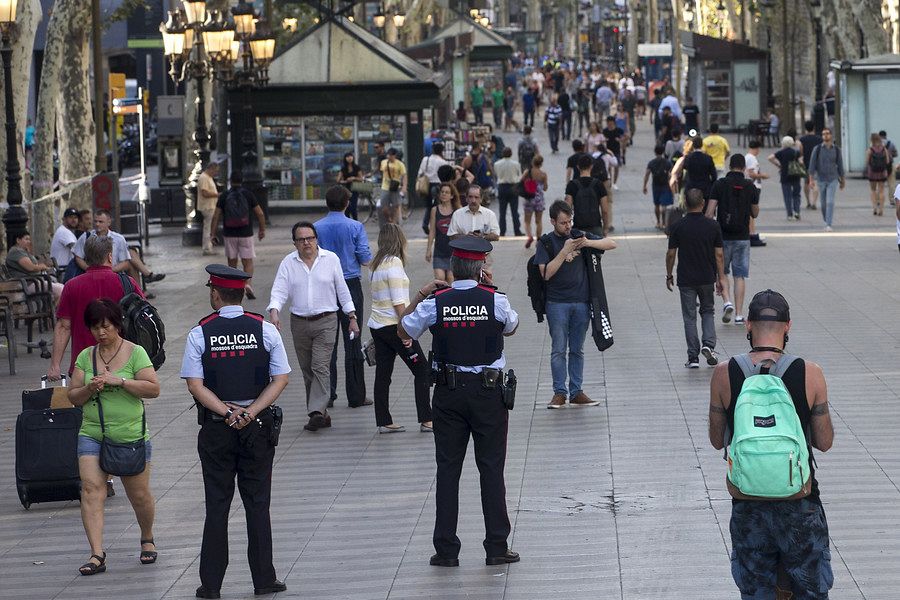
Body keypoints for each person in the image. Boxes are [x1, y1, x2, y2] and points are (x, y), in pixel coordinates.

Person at [397, 237, 520, 568]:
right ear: (481, 268)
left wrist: (423, 293)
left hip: (449, 395)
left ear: (452, 268)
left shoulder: (436, 302)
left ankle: (447, 549)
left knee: (448, 470)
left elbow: (403, 330)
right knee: (491, 469)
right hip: (488, 394)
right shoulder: (495, 300)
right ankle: (496, 546)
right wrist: (490, 291)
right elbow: (511, 327)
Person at [708, 290, 834, 600]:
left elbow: (716, 440)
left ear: (748, 325)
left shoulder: (725, 373)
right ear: (788, 326)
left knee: (757, 591)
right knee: (809, 589)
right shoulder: (811, 373)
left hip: (748, 503)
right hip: (800, 502)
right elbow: (824, 442)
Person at [181, 265, 290, 599]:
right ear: (242, 292)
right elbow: (281, 378)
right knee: (257, 504)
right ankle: (263, 579)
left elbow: (195, 384)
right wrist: (252, 411)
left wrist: (227, 411)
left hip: (217, 429)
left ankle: (211, 585)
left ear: (215, 293)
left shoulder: (200, 332)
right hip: (257, 428)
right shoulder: (265, 329)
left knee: (217, 504)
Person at [68, 298, 160, 576]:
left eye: (105, 326)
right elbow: (73, 396)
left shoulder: (135, 353)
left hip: (129, 434)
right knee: (90, 489)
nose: (101, 333)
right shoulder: (86, 357)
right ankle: (97, 553)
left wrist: (120, 381)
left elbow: (153, 389)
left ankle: (147, 537)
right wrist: (90, 389)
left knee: (139, 495)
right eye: (95, 328)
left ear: (117, 324)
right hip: (92, 432)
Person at [267, 222, 357, 432]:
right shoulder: (288, 262)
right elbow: (279, 290)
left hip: (326, 320)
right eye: (301, 239)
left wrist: (351, 315)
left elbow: (342, 289)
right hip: (299, 322)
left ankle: (315, 412)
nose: (307, 242)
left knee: (320, 366)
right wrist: (274, 311)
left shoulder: (331, 259)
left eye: (310, 238)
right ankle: (322, 414)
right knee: (308, 370)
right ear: (295, 243)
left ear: (317, 239)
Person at [534, 201, 617, 409]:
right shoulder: (546, 243)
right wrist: (564, 252)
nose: (568, 226)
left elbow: (611, 243)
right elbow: (545, 274)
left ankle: (576, 391)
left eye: (570, 221)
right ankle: (559, 392)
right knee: (558, 349)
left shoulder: (579, 235)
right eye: (563, 223)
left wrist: (587, 243)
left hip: (581, 302)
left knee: (577, 349)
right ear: (552, 221)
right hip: (557, 304)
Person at [48, 235, 145, 380]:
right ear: (110, 256)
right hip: (124, 365)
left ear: (86, 258)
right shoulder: (127, 283)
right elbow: (142, 318)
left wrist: (55, 365)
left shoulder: (71, 286)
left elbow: (63, 326)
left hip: (84, 366)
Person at [367, 224, 433, 434]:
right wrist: (407, 332)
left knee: (383, 374)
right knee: (422, 369)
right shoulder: (394, 263)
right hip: (394, 327)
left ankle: (384, 420)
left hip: (377, 326)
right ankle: (427, 419)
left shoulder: (376, 265)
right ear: (399, 240)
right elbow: (399, 302)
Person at [315, 185, 373, 409]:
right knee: (353, 338)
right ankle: (356, 395)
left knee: (327, 341)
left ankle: (327, 394)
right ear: (347, 203)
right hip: (350, 284)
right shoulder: (355, 226)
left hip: (325, 285)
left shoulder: (317, 228)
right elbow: (365, 257)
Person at [666, 189, 725, 368]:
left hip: (686, 279)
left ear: (685, 203)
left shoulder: (678, 226)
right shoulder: (713, 226)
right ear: (703, 204)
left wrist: (669, 275)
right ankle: (708, 345)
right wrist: (720, 278)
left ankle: (693, 358)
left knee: (689, 317)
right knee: (708, 311)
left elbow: (671, 254)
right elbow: (719, 255)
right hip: (707, 277)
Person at [707, 154, 760, 326]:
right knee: (740, 276)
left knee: (722, 273)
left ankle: (727, 301)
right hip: (742, 237)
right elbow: (755, 213)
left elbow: (709, 212)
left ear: (730, 166)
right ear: (744, 167)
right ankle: (738, 315)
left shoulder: (720, 184)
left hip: (722, 236)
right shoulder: (750, 185)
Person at [73, 210, 164, 287]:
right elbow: (78, 257)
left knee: (131, 261)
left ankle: (139, 293)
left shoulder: (118, 239)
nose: (97, 224)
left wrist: (110, 270)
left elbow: (125, 262)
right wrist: (87, 268)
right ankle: (144, 283)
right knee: (132, 256)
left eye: (101, 222)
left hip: (113, 273)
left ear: (108, 222)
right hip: (92, 274)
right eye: (95, 221)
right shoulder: (86, 237)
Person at [209, 172, 265, 298]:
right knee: (248, 261)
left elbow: (216, 215)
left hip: (230, 234)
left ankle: (234, 287)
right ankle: (248, 284)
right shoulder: (248, 194)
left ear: (230, 180)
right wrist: (262, 230)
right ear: (242, 180)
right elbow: (260, 213)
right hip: (246, 233)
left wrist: (212, 233)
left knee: (232, 263)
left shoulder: (224, 195)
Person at [5, 231, 64, 300]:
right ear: (18, 240)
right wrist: (42, 267)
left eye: (29, 239)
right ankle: (55, 309)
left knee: (63, 288)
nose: (29, 242)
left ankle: (54, 309)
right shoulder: (16, 252)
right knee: (61, 290)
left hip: (35, 281)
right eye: (26, 239)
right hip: (28, 283)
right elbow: (31, 268)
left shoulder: (22, 251)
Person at [808, 128, 845, 232]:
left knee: (830, 202)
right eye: (823, 134)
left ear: (831, 135)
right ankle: (826, 220)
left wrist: (842, 180)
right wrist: (811, 180)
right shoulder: (818, 149)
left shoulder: (836, 149)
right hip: (821, 179)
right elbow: (812, 165)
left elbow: (840, 165)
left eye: (827, 133)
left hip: (833, 179)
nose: (825, 136)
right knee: (823, 203)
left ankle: (829, 223)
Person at [565, 154, 609, 237]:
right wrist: (605, 228)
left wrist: (567, 227)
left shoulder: (572, 185)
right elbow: (605, 210)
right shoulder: (599, 184)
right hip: (596, 227)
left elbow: (567, 208)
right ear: (591, 166)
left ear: (578, 167)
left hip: (578, 228)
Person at [426, 183, 462, 283]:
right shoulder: (434, 210)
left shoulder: (457, 210)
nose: (444, 194)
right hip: (439, 251)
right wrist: (428, 250)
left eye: (447, 192)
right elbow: (432, 231)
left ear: (452, 195)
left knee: (451, 279)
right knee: (440, 279)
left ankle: (450, 298)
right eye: (442, 192)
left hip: (454, 252)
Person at [768, 136, 804, 220]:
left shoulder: (780, 152)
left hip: (785, 176)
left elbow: (770, 157)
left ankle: (789, 214)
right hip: (795, 175)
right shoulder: (796, 152)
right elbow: (801, 162)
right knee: (796, 195)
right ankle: (797, 212)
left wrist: (778, 165)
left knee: (787, 196)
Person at [678, 136, 717, 206]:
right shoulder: (708, 158)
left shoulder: (688, 158)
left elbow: (683, 170)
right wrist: (710, 185)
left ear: (693, 145)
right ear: (702, 145)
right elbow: (714, 175)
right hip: (705, 188)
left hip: (691, 187)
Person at [494, 147, 523, 237]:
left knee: (502, 212)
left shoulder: (497, 164)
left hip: (502, 187)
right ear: (511, 154)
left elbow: (496, 175)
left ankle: (502, 231)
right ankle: (517, 231)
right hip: (513, 187)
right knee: (514, 211)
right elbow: (519, 175)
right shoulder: (516, 164)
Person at [744, 140, 769, 246]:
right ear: (757, 148)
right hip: (754, 185)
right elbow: (751, 173)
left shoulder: (748, 157)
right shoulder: (751, 158)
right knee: (752, 211)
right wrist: (763, 176)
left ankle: (751, 232)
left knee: (751, 212)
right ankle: (751, 233)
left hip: (753, 185)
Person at [643, 144, 674, 230]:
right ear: (663, 151)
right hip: (665, 185)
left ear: (655, 152)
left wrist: (644, 186)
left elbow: (647, 174)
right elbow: (671, 175)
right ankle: (664, 222)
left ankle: (658, 222)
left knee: (656, 205)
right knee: (664, 205)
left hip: (655, 185)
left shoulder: (651, 162)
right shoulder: (667, 162)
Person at [522, 155, 548, 249]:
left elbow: (521, 181)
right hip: (539, 200)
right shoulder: (543, 174)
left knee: (527, 221)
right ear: (541, 164)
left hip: (529, 199)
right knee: (539, 221)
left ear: (533, 162)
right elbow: (545, 188)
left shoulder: (527, 172)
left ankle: (529, 237)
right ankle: (538, 240)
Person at [417, 142, 449, 212]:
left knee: (429, 208)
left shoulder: (426, 159)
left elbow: (420, 173)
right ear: (442, 151)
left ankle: (425, 223)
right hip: (438, 185)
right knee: (437, 207)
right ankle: (435, 221)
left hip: (426, 185)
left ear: (433, 150)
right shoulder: (443, 162)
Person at [865, 132, 892, 216]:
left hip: (872, 173)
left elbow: (867, 161)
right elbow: (887, 161)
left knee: (873, 190)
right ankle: (881, 209)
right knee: (881, 191)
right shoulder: (884, 149)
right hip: (882, 173)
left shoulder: (870, 149)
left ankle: (874, 208)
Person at [798, 121, 823, 210]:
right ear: (814, 128)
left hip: (806, 164)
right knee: (815, 183)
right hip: (817, 164)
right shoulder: (819, 139)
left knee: (806, 183)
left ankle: (808, 201)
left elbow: (800, 152)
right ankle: (814, 202)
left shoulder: (802, 140)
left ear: (805, 128)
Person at [379, 148, 408, 224]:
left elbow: (404, 175)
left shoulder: (400, 164)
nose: (389, 156)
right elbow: (382, 173)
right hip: (385, 187)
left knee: (396, 206)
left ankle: (394, 223)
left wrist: (404, 187)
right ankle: (389, 218)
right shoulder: (383, 162)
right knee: (384, 207)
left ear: (394, 155)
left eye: (391, 155)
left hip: (395, 187)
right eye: (388, 155)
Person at [197, 161, 220, 255]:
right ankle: (207, 248)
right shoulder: (204, 178)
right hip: (207, 206)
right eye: (215, 171)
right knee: (208, 227)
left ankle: (208, 246)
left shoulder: (208, 178)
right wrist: (217, 194)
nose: (216, 173)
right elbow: (204, 193)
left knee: (209, 227)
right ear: (211, 169)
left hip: (211, 206)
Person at [337, 152, 364, 221]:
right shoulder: (343, 168)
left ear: (353, 157)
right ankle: (348, 223)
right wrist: (345, 181)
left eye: (351, 156)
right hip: (346, 190)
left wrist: (354, 178)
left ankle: (356, 223)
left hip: (354, 189)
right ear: (345, 158)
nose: (349, 158)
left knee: (353, 208)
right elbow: (338, 180)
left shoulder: (356, 167)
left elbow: (361, 179)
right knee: (347, 208)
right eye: (347, 157)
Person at [601, 116, 624, 190]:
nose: (609, 124)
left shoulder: (618, 130)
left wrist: (620, 139)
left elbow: (626, 136)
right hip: (607, 151)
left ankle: (615, 183)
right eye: (608, 123)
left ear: (614, 122)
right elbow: (602, 139)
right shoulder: (605, 131)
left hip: (616, 150)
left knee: (616, 167)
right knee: (609, 168)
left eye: (611, 123)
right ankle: (610, 182)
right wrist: (604, 140)